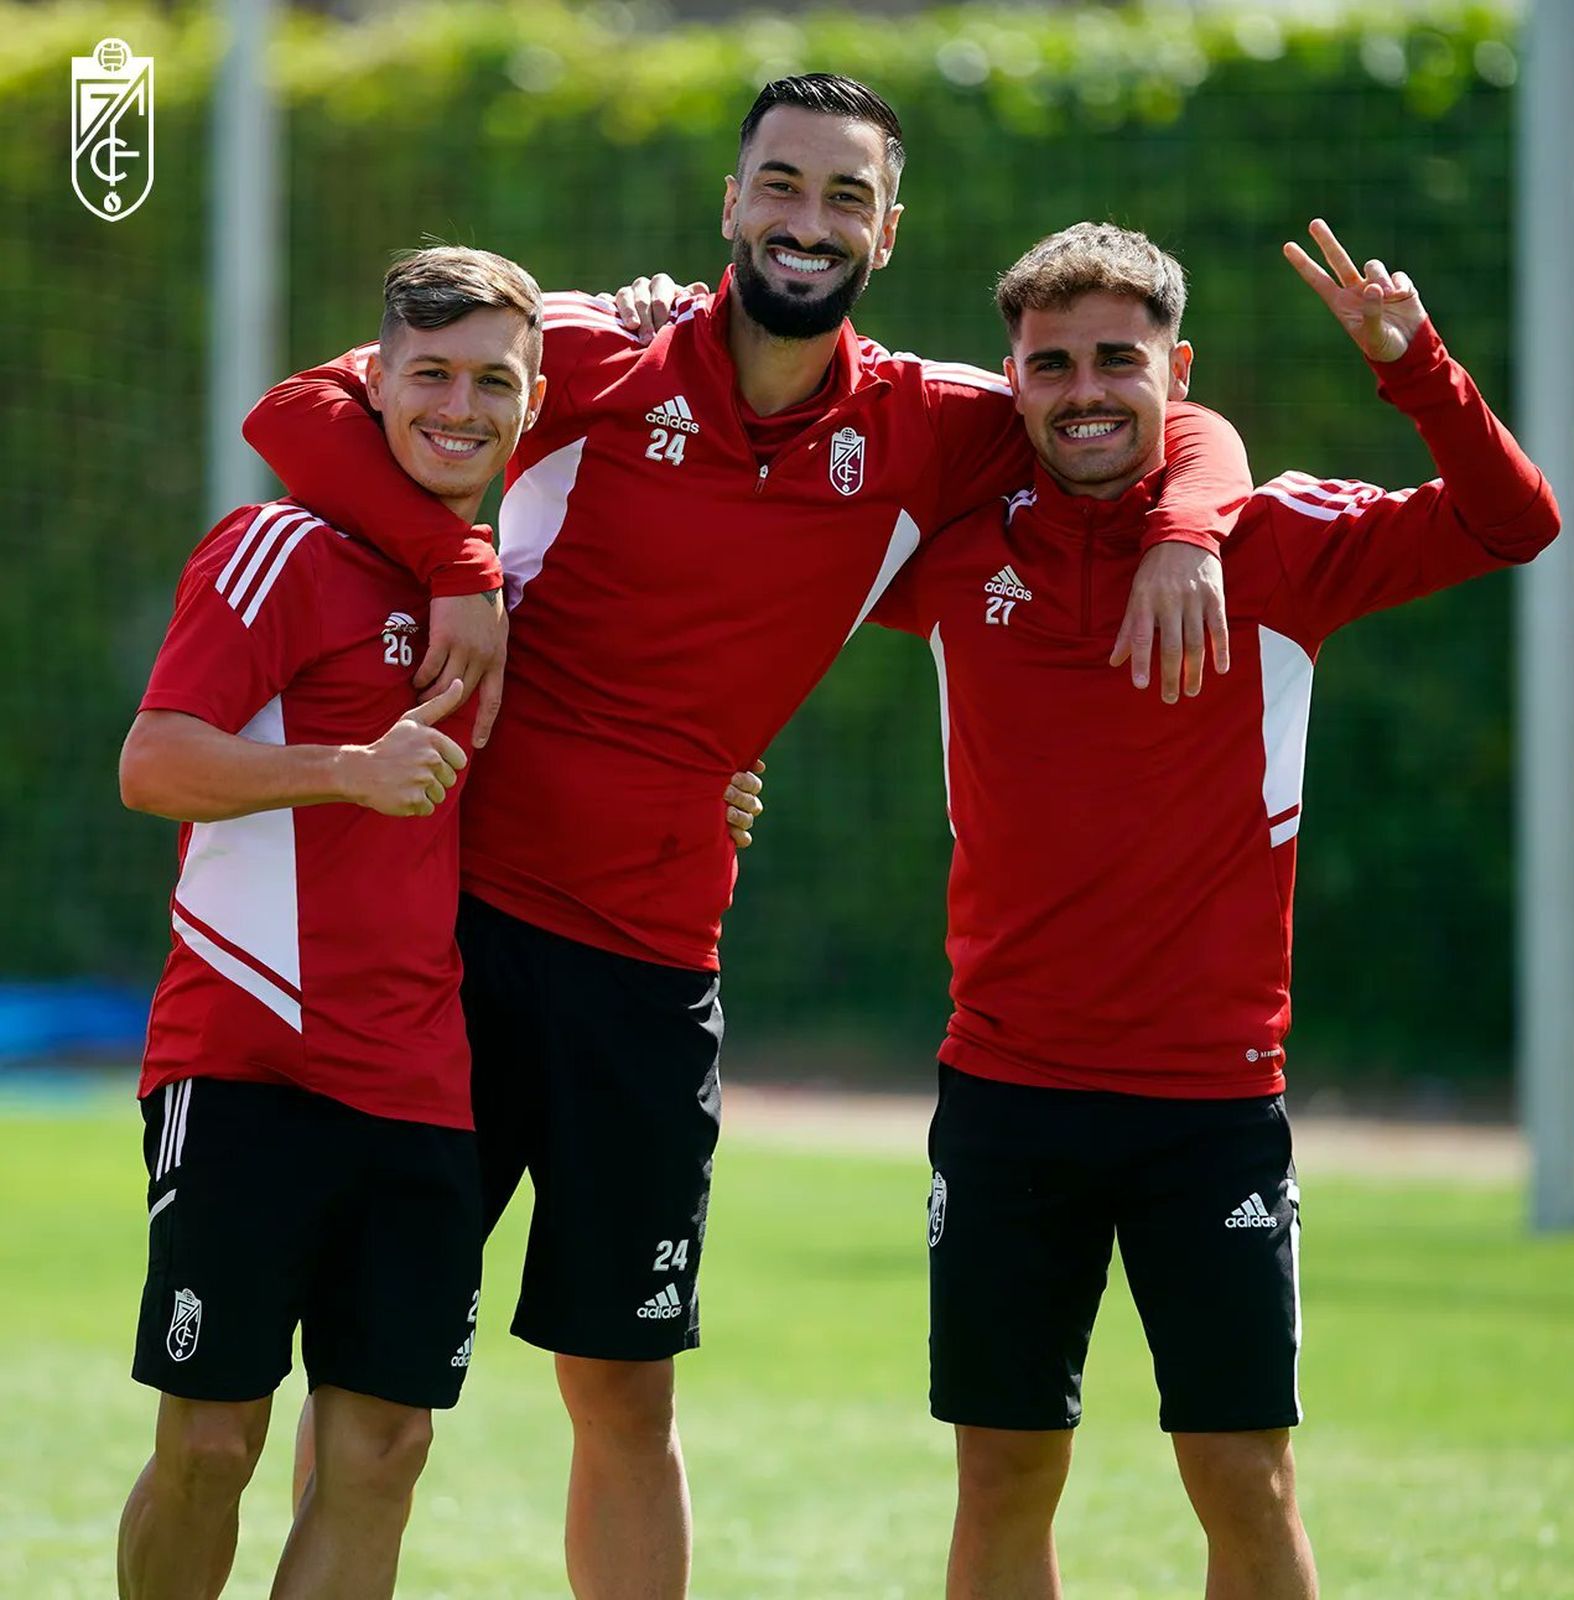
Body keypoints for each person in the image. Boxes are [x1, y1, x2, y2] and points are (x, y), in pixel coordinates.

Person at [241, 76, 1250, 1600]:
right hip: (448, 943)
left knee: (626, 1394)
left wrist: (1182, 530)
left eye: (845, 197)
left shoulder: (931, 428)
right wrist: (457, 563)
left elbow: (1168, 416)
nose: (808, 220)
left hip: (653, 972)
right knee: (375, 1400)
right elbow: (302, 410)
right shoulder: (592, 351)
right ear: (731, 204)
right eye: (781, 186)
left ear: (888, 232)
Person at [866, 219, 1558, 1598]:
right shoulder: (943, 553)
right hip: (1006, 1089)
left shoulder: (1281, 545)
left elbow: (1513, 520)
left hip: (1212, 1102)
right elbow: (734, 572)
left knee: (1242, 1478)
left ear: (1176, 372)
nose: (1084, 390)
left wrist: (1414, 367)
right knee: (1003, 1475)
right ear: (1010, 382)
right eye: (1050, 363)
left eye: (1118, 359)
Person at [114, 247, 547, 1600]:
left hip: (419, 1085)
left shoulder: (499, 593)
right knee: (213, 1437)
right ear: (376, 383)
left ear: (531, 403)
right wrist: (343, 770)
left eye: (493, 381)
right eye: (431, 376)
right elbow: (153, 762)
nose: (460, 408)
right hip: (243, 1063)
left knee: (385, 1443)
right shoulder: (272, 547)